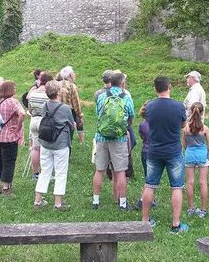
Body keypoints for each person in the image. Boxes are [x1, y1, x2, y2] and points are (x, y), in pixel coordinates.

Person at [141, 76, 189, 234]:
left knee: (149, 185)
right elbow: (183, 125)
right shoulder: (179, 106)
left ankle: (145, 221)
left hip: (154, 150)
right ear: (170, 87)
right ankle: (175, 224)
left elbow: (148, 122)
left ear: (155, 89)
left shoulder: (150, 107)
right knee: (176, 187)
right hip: (173, 151)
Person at [92, 72, 135, 210]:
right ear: (122, 83)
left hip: (101, 137)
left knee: (99, 170)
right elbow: (131, 118)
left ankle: (96, 201)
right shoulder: (126, 97)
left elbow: (98, 115)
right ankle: (122, 203)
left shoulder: (101, 96)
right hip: (119, 138)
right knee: (121, 171)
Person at [34, 80, 77, 210]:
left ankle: (38, 201)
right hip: (61, 143)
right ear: (58, 92)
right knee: (60, 173)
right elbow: (71, 124)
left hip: (46, 143)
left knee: (44, 171)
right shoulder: (66, 109)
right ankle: (58, 203)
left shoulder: (45, 105)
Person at [0, 81, 25, 196]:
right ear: (10, 89)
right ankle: (6, 189)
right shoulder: (13, 102)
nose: (15, 90)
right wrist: (18, 126)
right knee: (8, 162)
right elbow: (22, 113)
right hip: (9, 137)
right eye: (14, 88)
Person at [183, 102, 209, 218]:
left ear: (190, 111)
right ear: (202, 113)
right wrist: (207, 153)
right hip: (202, 155)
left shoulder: (185, 128)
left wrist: (189, 149)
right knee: (203, 182)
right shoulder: (205, 128)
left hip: (190, 154)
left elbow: (184, 144)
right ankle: (203, 210)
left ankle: (190, 208)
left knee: (190, 182)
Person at [26, 72, 53, 180]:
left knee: (35, 148)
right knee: (46, 147)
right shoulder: (49, 95)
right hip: (45, 122)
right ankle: (46, 173)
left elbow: (30, 110)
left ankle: (35, 173)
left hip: (34, 121)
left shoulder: (33, 93)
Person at [58, 66, 85, 135]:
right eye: (73, 73)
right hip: (68, 113)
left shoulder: (57, 84)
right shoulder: (72, 86)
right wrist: (80, 115)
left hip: (57, 111)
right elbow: (76, 103)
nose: (75, 74)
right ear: (70, 75)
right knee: (68, 133)